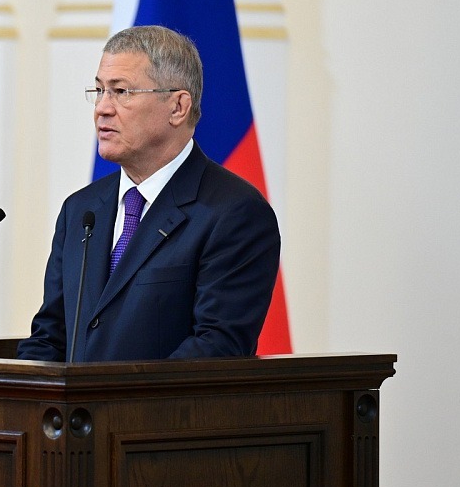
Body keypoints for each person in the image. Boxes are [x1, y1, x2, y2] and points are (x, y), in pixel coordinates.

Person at [16, 25, 280, 362]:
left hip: (163, 399)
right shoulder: (81, 210)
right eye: (99, 90)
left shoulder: (234, 213)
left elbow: (216, 347)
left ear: (177, 107)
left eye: (121, 91)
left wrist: (115, 396)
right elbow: (51, 338)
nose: (102, 108)